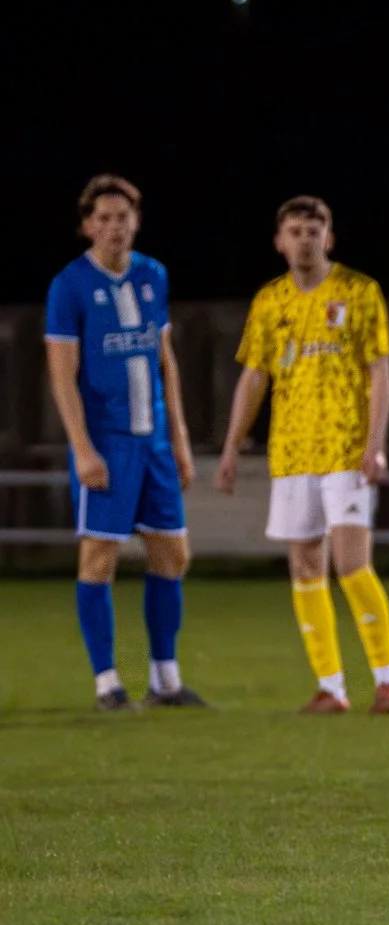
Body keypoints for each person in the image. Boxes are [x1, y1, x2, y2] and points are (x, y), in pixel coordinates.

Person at [215, 196, 389, 715]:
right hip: (291, 453)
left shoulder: (359, 291)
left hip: (346, 450)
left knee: (351, 564)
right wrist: (233, 445)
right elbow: (254, 376)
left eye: (314, 229)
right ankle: (331, 687)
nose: (305, 238)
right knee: (305, 568)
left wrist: (376, 445)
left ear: (329, 238)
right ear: (280, 242)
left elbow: (380, 372)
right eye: (295, 230)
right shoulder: (269, 302)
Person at [43, 175, 207, 711]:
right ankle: (108, 682)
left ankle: (165, 680)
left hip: (154, 441)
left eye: (123, 217)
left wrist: (179, 438)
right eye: (104, 218)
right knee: (98, 557)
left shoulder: (151, 276)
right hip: (107, 443)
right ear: (87, 225)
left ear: (136, 221)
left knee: (172, 554)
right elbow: (62, 376)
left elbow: (166, 362)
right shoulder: (69, 286)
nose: (114, 227)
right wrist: (83, 449)